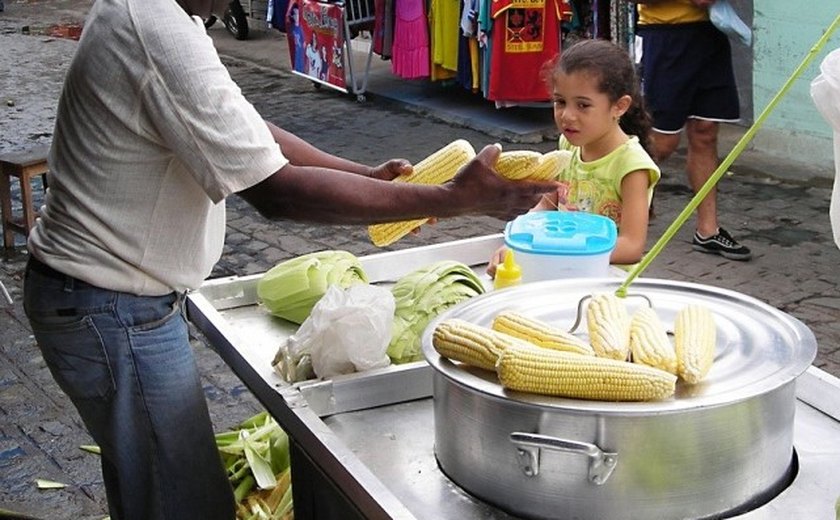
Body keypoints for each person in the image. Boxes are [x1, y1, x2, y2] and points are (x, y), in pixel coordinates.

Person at [21, 1, 559, 519]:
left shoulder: (165, 16)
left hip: (109, 302)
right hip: (111, 308)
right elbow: (277, 193)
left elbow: (241, 124)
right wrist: (452, 199)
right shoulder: (155, 27)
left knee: (156, 495)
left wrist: (361, 174)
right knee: (185, 505)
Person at [488, 38, 660, 277]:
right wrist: (518, 242)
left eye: (583, 105)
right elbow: (547, 205)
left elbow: (631, 247)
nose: (567, 116)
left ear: (619, 107)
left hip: (607, 280)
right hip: (560, 269)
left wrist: (556, 253)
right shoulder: (567, 145)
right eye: (560, 102)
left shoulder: (632, 166)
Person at [632, 0, 752, 260]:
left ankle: (708, 230)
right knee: (663, 141)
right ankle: (611, 206)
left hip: (712, 33)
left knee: (705, 131)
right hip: (664, 36)